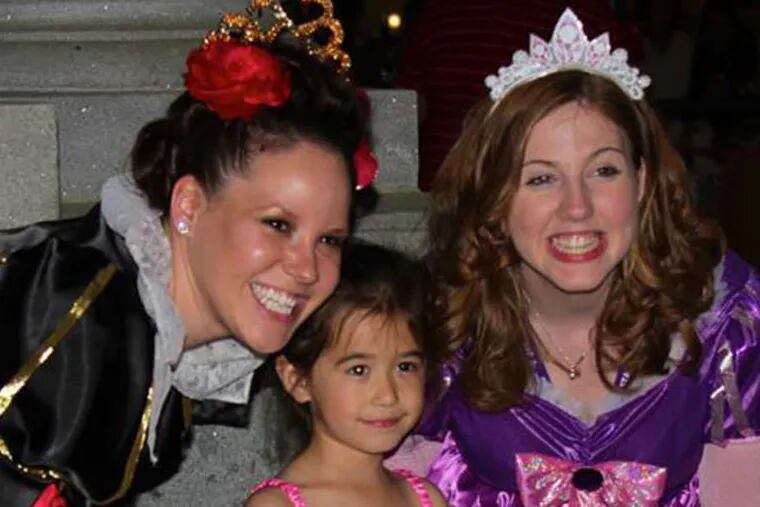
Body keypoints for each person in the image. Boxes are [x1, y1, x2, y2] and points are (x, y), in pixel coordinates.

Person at [0, 1, 378, 505]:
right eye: (278, 224)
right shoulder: (72, 317)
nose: (307, 269)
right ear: (189, 206)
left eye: (329, 240)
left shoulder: (152, 344)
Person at [405, 8, 760, 506]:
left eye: (604, 171)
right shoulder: (435, 321)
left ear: (641, 182)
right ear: (496, 198)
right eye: (541, 178)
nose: (577, 208)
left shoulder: (725, 321)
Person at [246, 242, 447, 507]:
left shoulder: (425, 498)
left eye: (405, 366)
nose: (387, 395)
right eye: (359, 370)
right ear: (297, 380)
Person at [396, 0, 641, 191]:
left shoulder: (439, 11)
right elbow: (404, 107)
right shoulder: (440, 12)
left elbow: (625, 104)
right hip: (448, 186)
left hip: (541, 185)